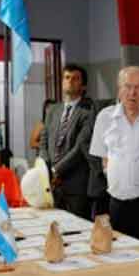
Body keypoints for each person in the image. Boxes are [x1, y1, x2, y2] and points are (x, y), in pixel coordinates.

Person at [89, 67, 139, 249]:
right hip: (117, 205)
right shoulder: (105, 117)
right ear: (119, 89)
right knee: (121, 258)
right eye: (127, 86)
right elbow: (103, 158)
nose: (132, 93)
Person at [39, 64, 94, 219]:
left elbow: (79, 148)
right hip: (50, 184)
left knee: (76, 231)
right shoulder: (52, 110)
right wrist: (45, 167)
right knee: (53, 227)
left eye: (75, 78)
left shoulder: (89, 111)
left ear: (83, 86)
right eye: (66, 77)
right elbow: (43, 140)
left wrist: (56, 170)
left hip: (75, 185)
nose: (69, 81)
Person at [86, 98, 115, 218]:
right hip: (102, 185)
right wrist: (104, 170)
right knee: (103, 232)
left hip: (134, 191)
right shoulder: (100, 108)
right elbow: (85, 141)